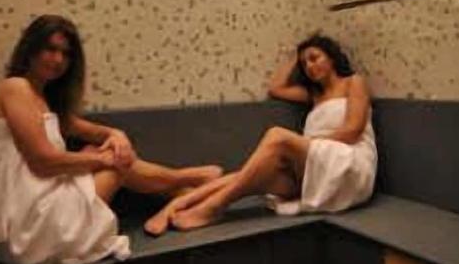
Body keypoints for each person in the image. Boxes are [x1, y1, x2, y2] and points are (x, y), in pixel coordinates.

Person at [0, 15, 223, 264]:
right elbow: (43, 162)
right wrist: (104, 159)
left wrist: (117, 136)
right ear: (30, 48)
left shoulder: (41, 99)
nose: (58, 60)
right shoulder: (15, 88)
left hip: (33, 211)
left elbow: (95, 132)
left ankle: (185, 194)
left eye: (66, 54)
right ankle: (188, 181)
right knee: (114, 162)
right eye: (50, 49)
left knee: (101, 152)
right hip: (25, 228)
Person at [145, 34, 377, 234]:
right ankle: (179, 204)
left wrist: (300, 145)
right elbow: (276, 88)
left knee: (277, 137)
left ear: (332, 57)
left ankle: (213, 208)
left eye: (314, 58)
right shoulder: (314, 96)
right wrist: (295, 54)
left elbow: (352, 131)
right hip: (316, 168)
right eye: (304, 63)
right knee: (247, 176)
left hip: (350, 166)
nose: (309, 66)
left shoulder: (353, 82)